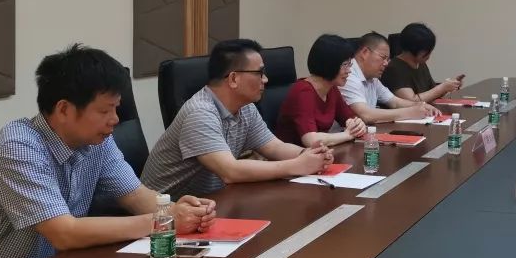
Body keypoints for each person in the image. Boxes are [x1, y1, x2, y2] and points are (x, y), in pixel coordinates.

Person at [0, 45, 216, 258]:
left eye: (116, 109)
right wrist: (162, 222)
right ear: (64, 109)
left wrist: (179, 211)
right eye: (105, 111)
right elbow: (64, 233)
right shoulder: (19, 147)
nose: (115, 120)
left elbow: (135, 195)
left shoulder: (97, 141)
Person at [141, 38, 332, 197]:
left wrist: (310, 155)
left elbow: (274, 147)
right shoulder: (199, 113)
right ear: (233, 79)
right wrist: (297, 165)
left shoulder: (246, 108)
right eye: (259, 73)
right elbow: (230, 172)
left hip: (211, 201)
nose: (265, 79)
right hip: (162, 214)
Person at [276, 34, 367, 147]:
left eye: (350, 64)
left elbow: (349, 117)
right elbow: (311, 140)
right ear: (329, 64)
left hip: (319, 153)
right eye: (345, 65)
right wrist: (347, 135)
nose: (349, 70)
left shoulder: (332, 88)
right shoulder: (303, 91)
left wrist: (357, 125)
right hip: (293, 155)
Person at [341, 33, 438, 124]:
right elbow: (366, 115)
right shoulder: (347, 76)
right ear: (365, 52)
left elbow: (394, 102)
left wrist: (420, 105)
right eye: (383, 58)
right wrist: (410, 112)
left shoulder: (372, 77)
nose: (386, 64)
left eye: (387, 60)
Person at [381, 23, 465, 104]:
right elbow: (411, 101)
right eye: (427, 50)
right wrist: (442, 88)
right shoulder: (393, 68)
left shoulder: (420, 63)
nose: (429, 54)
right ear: (414, 49)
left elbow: (431, 92)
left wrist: (450, 86)